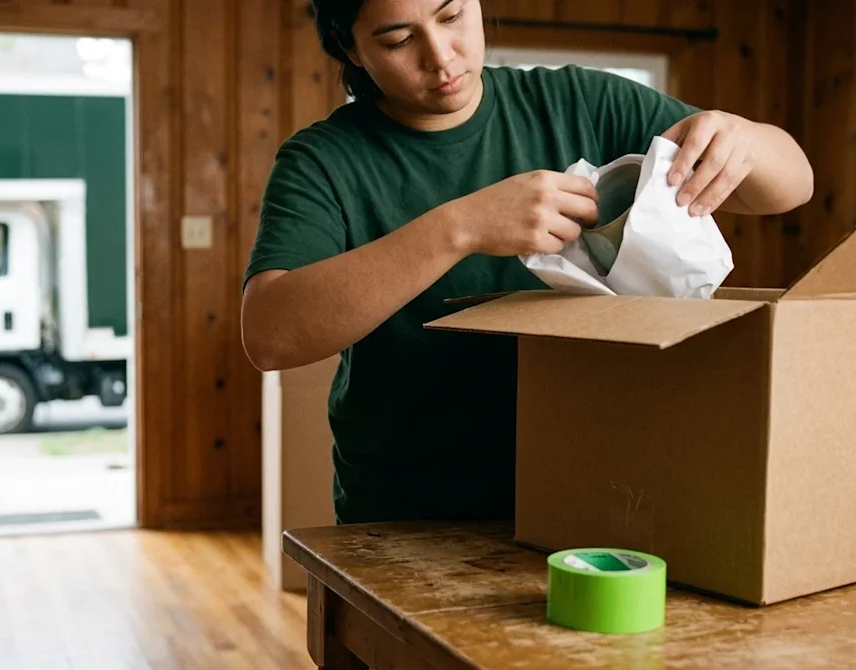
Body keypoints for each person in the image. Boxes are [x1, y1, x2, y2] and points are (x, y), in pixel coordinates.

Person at [240, 0, 814, 525]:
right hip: (410, 516)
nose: (441, 57)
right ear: (349, 48)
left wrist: (743, 139)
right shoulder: (322, 160)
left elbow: (793, 188)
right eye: (396, 40)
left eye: (451, 16)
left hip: (607, 495)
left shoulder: (581, 104)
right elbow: (270, 335)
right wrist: (461, 227)